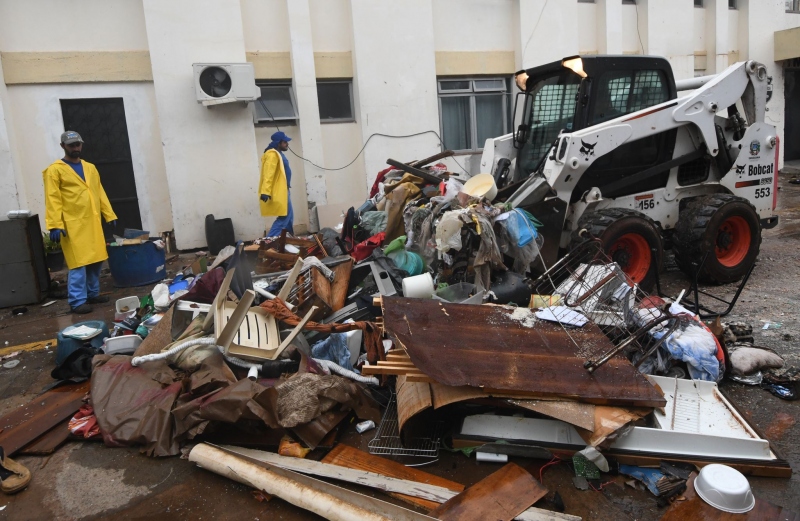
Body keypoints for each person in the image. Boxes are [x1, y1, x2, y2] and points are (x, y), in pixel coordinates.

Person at [43, 131, 117, 314]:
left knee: (96, 261)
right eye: (71, 145)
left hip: (92, 222)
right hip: (72, 226)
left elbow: (99, 191)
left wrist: (109, 214)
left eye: (77, 144)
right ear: (63, 146)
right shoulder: (55, 170)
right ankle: (77, 301)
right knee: (78, 264)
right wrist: (55, 224)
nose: (75, 148)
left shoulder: (90, 167)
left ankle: (92, 294)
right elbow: (52, 198)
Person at [259, 130, 294, 237]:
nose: (287, 144)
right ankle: (269, 240)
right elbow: (268, 173)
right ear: (279, 143)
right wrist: (265, 191)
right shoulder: (272, 154)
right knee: (284, 216)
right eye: (285, 142)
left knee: (289, 216)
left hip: (284, 189)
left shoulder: (279, 153)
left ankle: (288, 238)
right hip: (279, 190)